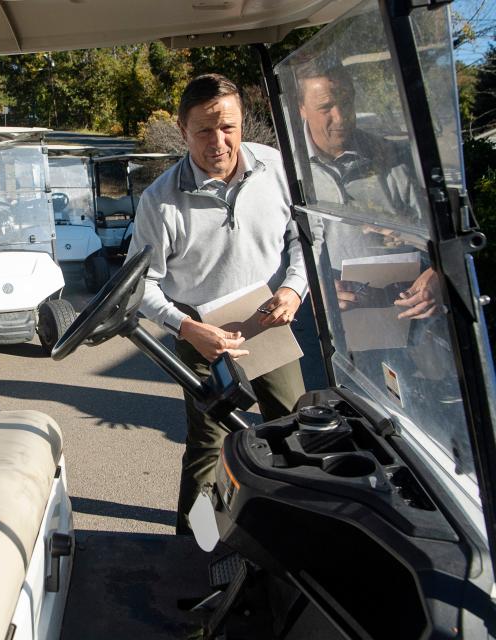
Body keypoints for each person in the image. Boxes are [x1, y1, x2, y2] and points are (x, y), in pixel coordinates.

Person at [128, 74, 308, 533]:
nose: (219, 141)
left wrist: (294, 287)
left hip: (266, 320)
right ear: (182, 130)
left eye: (228, 127)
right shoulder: (159, 201)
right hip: (201, 333)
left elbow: (305, 236)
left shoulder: (276, 168)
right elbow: (139, 285)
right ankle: (194, 545)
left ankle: (287, 536)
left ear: (242, 122)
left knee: (289, 431)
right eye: (204, 130)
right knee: (208, 446)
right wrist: (184, 327)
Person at [295, 61, 438, 321]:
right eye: (326, 107)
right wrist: (314, 288)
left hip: (406, 315)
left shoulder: (392, 158)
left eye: (346, 102)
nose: (340, 116)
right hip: (325, 331)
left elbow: (438, 238)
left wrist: (436, 274)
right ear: (302, 109)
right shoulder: (285, 171)